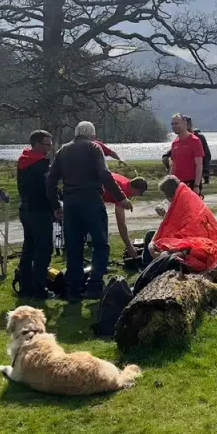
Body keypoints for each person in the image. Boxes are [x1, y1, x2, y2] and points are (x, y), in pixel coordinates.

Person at [47, 121, 132, 302]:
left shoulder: (62, 151)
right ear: (92, 135)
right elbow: (104, 174)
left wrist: (56, 206)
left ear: (76, 133)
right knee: (101, 244)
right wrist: (121, 197)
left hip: (70, 203)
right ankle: (94, 286)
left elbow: (50, 181)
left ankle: (74, 290)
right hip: (92, 200)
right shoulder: (94, 148)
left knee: (74, 247)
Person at [15, 130, 54, 298]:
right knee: (44, 249)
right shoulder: (41, 164)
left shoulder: (23, 160)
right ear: (37, 144)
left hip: (25, 208)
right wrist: (56, 206)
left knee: (29, 248)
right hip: (40, 210)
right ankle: (39, 288)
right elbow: (47, 189)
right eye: (47, 144)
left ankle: (25, 286)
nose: (50, 148)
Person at [103, 173, 149, 259]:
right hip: (87, 194)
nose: (138, 196)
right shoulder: (123, 190)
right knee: (101, 227)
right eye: (140, 194)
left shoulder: (126, 182)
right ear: (137, 190)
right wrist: (129, 246)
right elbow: (121, 223)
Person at [167, 113, 205, 196]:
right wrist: (170, 182)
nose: (174, 126)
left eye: (176, 123)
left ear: (184, 124)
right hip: (177, 184)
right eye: (172, 124)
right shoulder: (175, 143)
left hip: (191, 183)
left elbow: (199, 165)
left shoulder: (195, 141)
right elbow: (173, 165)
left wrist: (196, 185)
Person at [184, 116, 212, 185]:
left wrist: (205, 169)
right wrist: (166, 155)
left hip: (196, 171)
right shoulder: (182, 137)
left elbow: (207, 154)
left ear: (190, 125)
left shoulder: (199, 137)